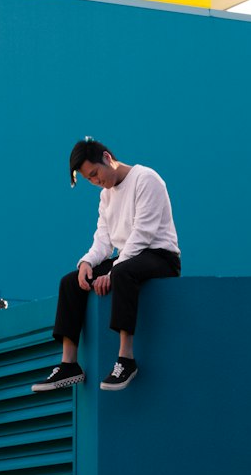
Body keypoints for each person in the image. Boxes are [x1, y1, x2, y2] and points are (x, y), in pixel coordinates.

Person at [31, 137, 181, 393]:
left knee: (122, 272)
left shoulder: (146, 179)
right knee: (70, 281)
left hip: (160, 256)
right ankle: (69, 365)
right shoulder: (106, 197)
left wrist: (113, 271)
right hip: (130, 258)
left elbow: (142, 235)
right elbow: (103, 240)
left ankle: (126, 359)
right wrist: (87, 263)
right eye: (89, 179)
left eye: (95, 173)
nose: (96, 181)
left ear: (107, 158)